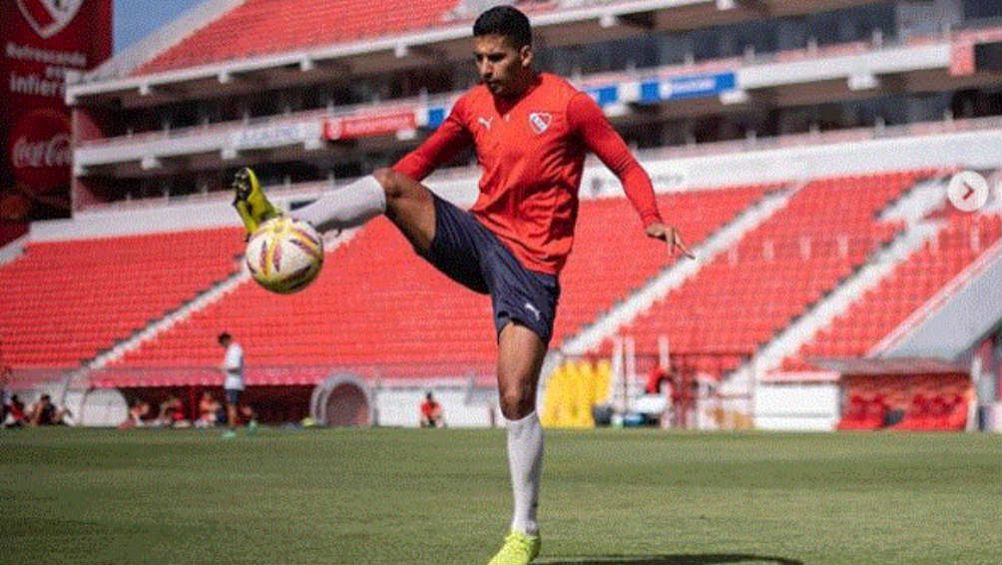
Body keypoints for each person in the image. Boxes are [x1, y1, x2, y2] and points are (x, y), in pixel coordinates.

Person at [231, 7, 691, 564]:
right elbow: (419, 162)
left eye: (495, 58)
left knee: (515, 395)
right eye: (477, 59)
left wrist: (651, 217)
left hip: (531, 265)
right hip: (476, 239)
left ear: (525, 55)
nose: (484, 70)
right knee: (388, 183)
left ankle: (525, 530)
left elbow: (625, 165)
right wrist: (386, 201)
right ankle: (289, 222)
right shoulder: (472, 107)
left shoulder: (570, 105)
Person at [218, 332, 246, 439]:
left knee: (231, 407)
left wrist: (222, 368)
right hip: (236, 382)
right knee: (239, 406)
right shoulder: (233, 350)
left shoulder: (234, 350)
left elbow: (235, 368)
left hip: (233, 383)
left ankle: (231, 430)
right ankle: (252, 422)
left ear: (226, 340)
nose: (222, 346)